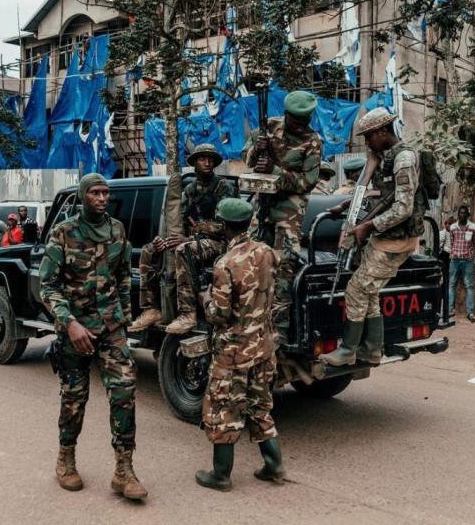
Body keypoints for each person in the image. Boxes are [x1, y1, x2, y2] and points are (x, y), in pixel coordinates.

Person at [39, 173, 147, 500]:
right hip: (76, 329)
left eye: (105, 193)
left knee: (124, 390)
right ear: (83, 196)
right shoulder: (63, 233)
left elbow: (123, 276)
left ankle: (124, 469)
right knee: (74, 396)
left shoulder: (117, 229)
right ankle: (66, 459)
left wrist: (124, 317)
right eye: (95, 193)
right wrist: (69, 324)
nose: (102, 198)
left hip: (111, 326)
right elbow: (48, 286)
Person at [319, 108, 426, 366]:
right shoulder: (383, 157)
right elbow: (382, 194)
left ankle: (348, 350)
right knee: (370, 292)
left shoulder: (403, 159)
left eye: (368, 137)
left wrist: (368, 227)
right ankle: (372, 349)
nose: (367, 143)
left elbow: (403, 208)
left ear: (382, 131)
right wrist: (346, 205)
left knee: (356, 289)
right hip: (384, 237)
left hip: (395, 241)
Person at [195, 198, 282, 492]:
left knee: (224, 410)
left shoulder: (225, 264)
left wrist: (204, 298)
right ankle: (274, 466)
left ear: (223, 226)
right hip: (264, 346)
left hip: (234, 353)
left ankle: (220, 476)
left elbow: (218, 314)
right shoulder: (268, 252)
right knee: (260, 406)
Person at [130, 143, 237, 334]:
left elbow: (226, 226)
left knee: (183, 250)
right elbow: (178, 221)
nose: (207, 162)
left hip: (219, 243)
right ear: (194, 163)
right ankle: (151, 309)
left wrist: (192, 235)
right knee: (149, 249)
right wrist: (164, 240)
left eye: (211, 159)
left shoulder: (223, 187)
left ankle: (188, 313)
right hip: (193, 241)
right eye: (203, 158)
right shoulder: (190, 190)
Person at [242, 90, 322, 334]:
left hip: (289, 211)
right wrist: (257, 151)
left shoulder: (313, 141)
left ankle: (279, 328)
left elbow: (307, 181)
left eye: (305, 121)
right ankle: (250, 318)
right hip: (262, 205)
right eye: (297, 121)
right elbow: (246, 161)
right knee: (252, 259)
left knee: (284, 265)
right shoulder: (269, 128)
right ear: (287, 115)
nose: (301, 126)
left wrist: (275, 171)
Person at [448, 205, 475, 323]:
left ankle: (470, 312)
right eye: (460, 213)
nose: (462, 215)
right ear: (458, 215)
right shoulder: (452, 227)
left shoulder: (473, 227)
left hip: (467, 261)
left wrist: (468, 253)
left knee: (469, 286)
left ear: (467, 215)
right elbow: (452, 242)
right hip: (455, 260)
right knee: (451, 284)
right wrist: (455, 253)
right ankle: (450, 310)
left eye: (464, 213)